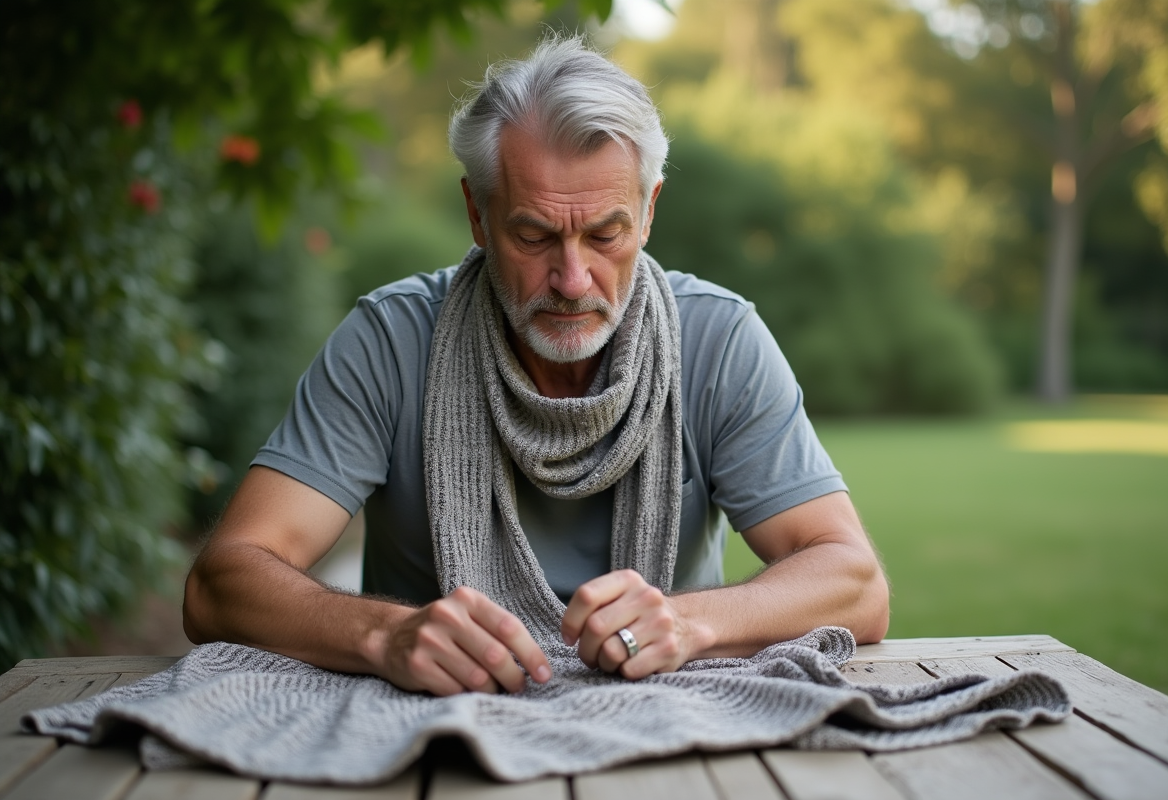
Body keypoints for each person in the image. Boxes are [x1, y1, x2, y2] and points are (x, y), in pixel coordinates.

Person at [182, 35, 889, 698]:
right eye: (533, 234)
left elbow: (855, 584)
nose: (573, 278)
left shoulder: (720, 338)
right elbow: (220, 586)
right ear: (477, 214)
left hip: (672, 721)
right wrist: (385, 634)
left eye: (605, 233)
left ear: (648, 212)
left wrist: (695, 621)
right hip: (430, 729)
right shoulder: (389, 340)